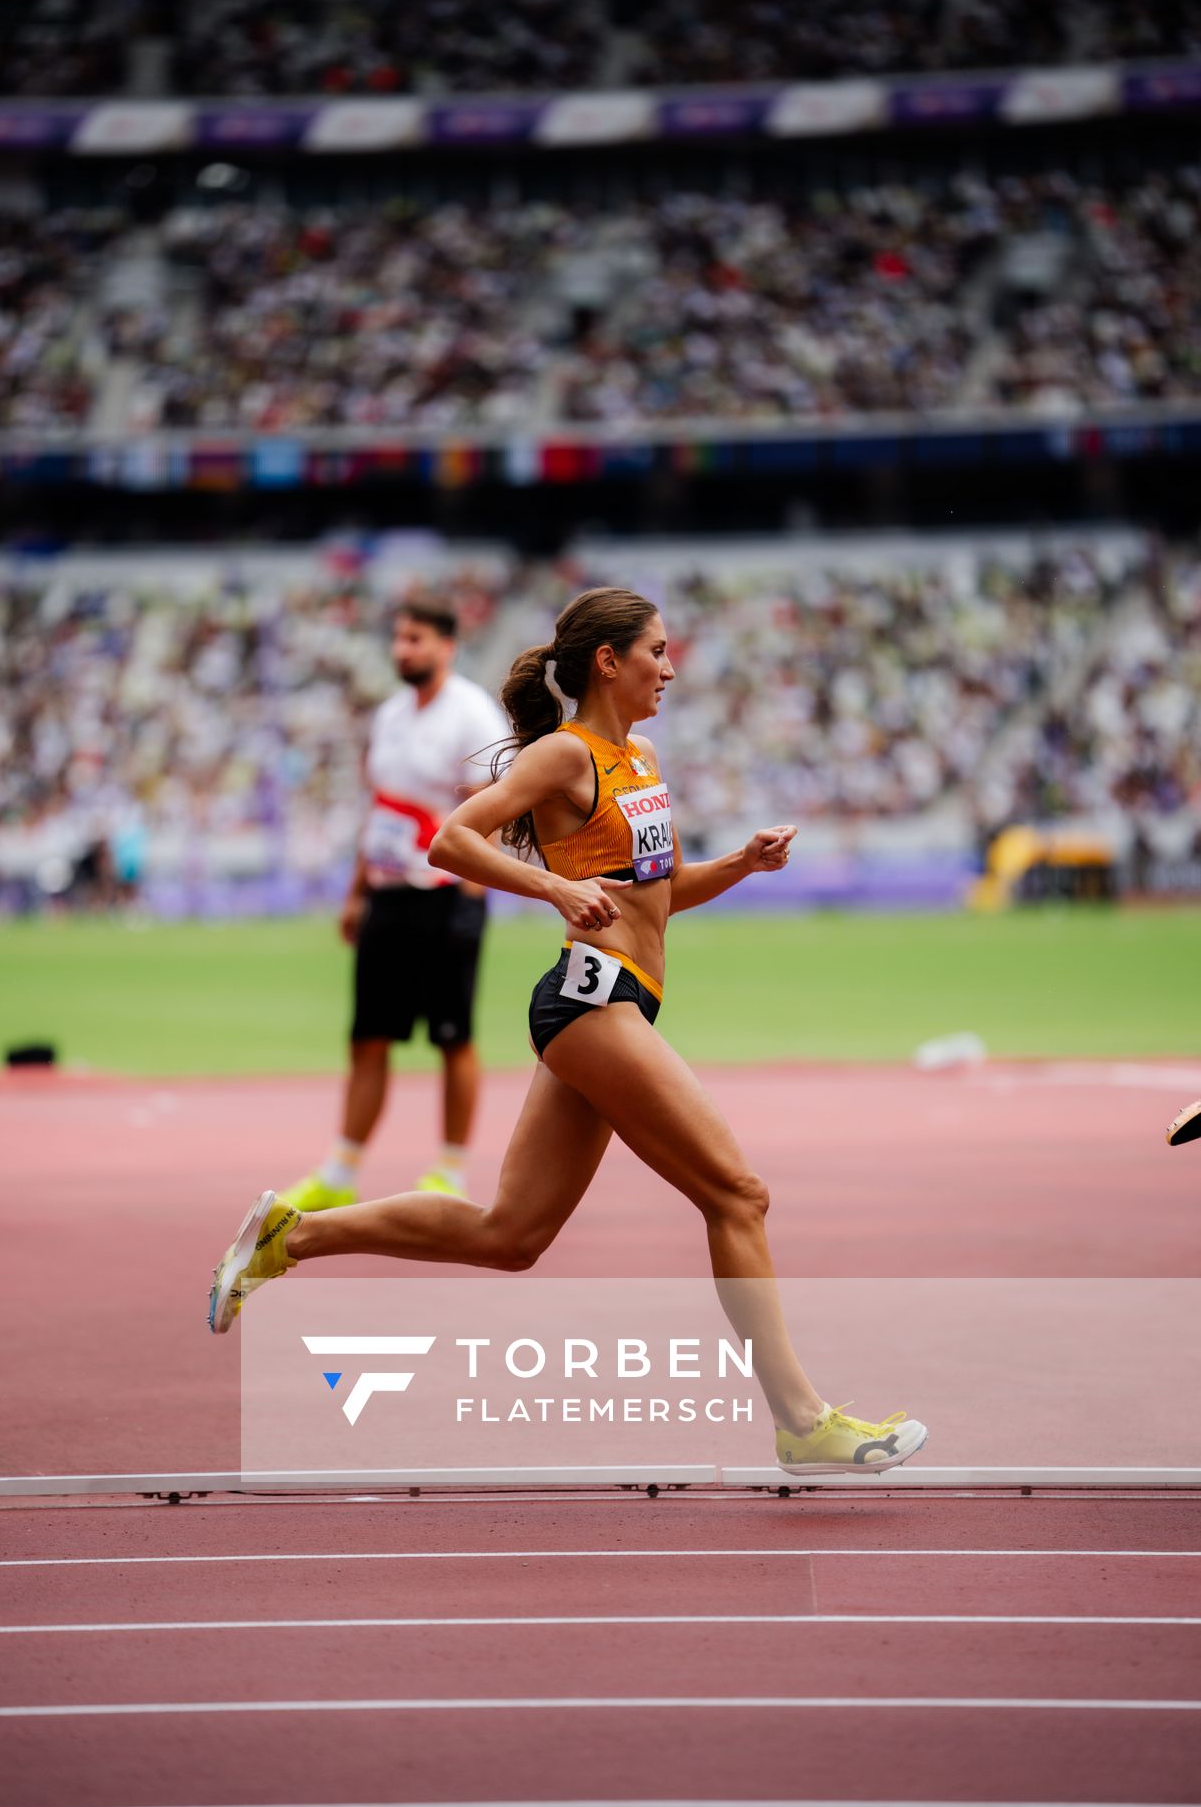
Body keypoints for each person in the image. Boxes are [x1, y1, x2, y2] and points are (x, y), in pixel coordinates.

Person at [211, 586, 927, 1476]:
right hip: (594, 1004)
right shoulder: (563, 755)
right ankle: (802, 1423)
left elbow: (655, 897)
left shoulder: (643, 755)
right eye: (657, 651)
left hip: (613, 999)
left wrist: (740, 864)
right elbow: (449, 842)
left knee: (510, 1236)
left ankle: (290, 1236)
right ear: (608, 661)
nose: (670, 667)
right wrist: (552, 887)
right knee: (737, 1195)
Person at [282, 596, 507, 1210]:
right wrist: (357, 892)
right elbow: (381, 810)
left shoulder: (473, 715)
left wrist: (473, 892)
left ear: (446, 646)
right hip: (389, 894)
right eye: (398, 639)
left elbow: (495, 806)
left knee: (452, 1036)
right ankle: (339, 1171)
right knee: (368, 1035)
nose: (401, 649)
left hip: (445, 895)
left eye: (415, 640)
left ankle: (451, 1170)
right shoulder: (390, 717)